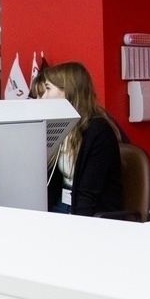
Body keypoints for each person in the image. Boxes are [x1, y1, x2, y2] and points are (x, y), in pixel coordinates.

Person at [38, 62, 124, 216]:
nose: (43, 97)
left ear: (68, 91)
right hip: (62, 205)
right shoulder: (61, 127)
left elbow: (87, 195)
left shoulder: (99, 132)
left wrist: (79, 226)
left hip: (88, 212)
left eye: (48, 89)